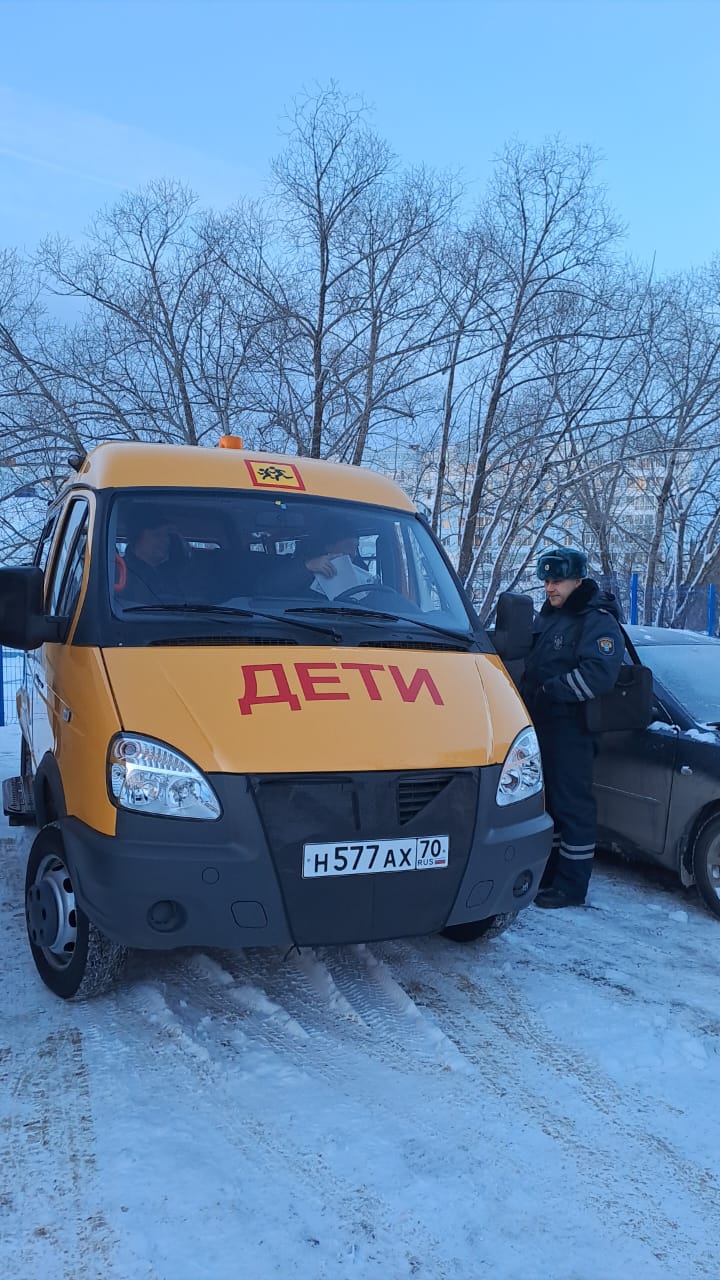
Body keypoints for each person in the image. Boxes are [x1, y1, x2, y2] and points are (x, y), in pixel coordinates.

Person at [520, 546, 625, 909]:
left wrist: (552, 691)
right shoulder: (550, 616)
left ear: (577, 580)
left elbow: (599, 674)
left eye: (557, 581)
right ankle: (550, 875)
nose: (550, 588)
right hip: (543, 724)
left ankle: (571, 886)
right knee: (548, 805)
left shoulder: (595, 618)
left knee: (573, 809)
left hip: (573, 728)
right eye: (547, 581)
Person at [120, 506, 189, 605]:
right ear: (137, 536)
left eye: (166, 535)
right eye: (158, 534)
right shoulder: (119, 573)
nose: (166, 540)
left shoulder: (172, 574)